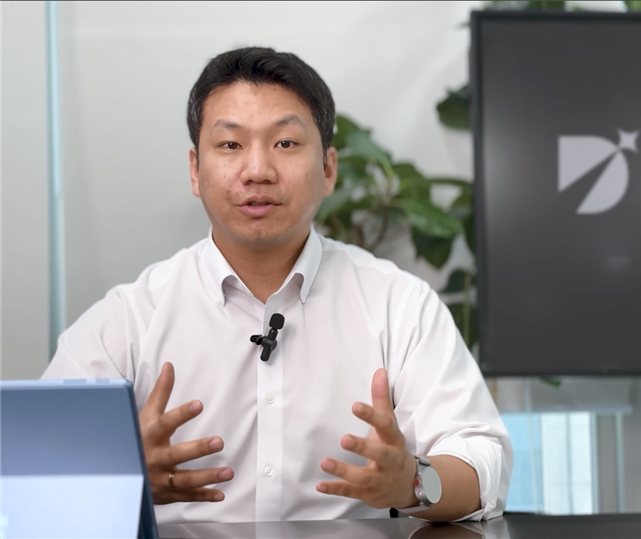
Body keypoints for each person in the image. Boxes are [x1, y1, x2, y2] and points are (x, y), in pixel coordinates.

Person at [42, 47, 511, 524]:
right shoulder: (129, 319)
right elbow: (31, 469)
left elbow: (483, 463)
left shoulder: (398, 304)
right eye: (230, 145)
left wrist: (412, 482)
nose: (257, 171)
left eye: (285, 143)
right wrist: (121, 474)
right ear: (195, 170)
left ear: (328, 169)